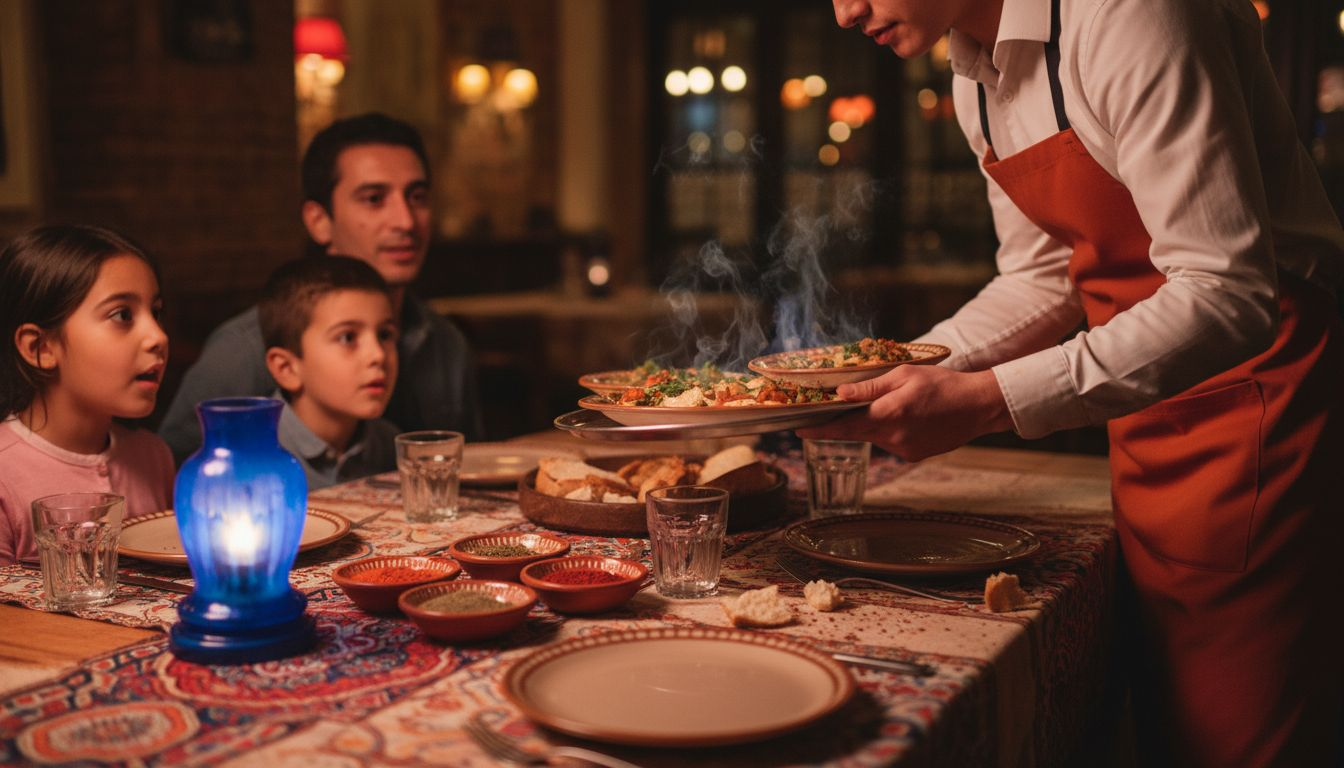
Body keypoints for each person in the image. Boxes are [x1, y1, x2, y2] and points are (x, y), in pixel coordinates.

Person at [806, 1, 1344, 765]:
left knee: (1242, 736)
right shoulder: (974, 73)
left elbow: (1228, 293)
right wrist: (898, 370)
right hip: (1145, 410)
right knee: (1161, 724)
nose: (845, 11)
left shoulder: (1133, 16)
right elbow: (1041, 278)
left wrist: (988, 401)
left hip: (1264, 407)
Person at [159, 112, 483, 463]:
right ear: (319, 221)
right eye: (374, 199)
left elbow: (471, 468)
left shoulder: (445, 342)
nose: (405, 221)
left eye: (417, 197)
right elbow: (174, 475)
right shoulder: (246, 348)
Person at [0, 224, 175, 565]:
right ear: (40, 348)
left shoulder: (154, 457)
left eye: (155, 312)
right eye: (122, 315)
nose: (158, 337)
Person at [259, 256, 400, 490]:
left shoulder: (390, 446)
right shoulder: (253, 461)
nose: (378, 355)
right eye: (347, 337)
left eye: (385, 335)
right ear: (287, 368)